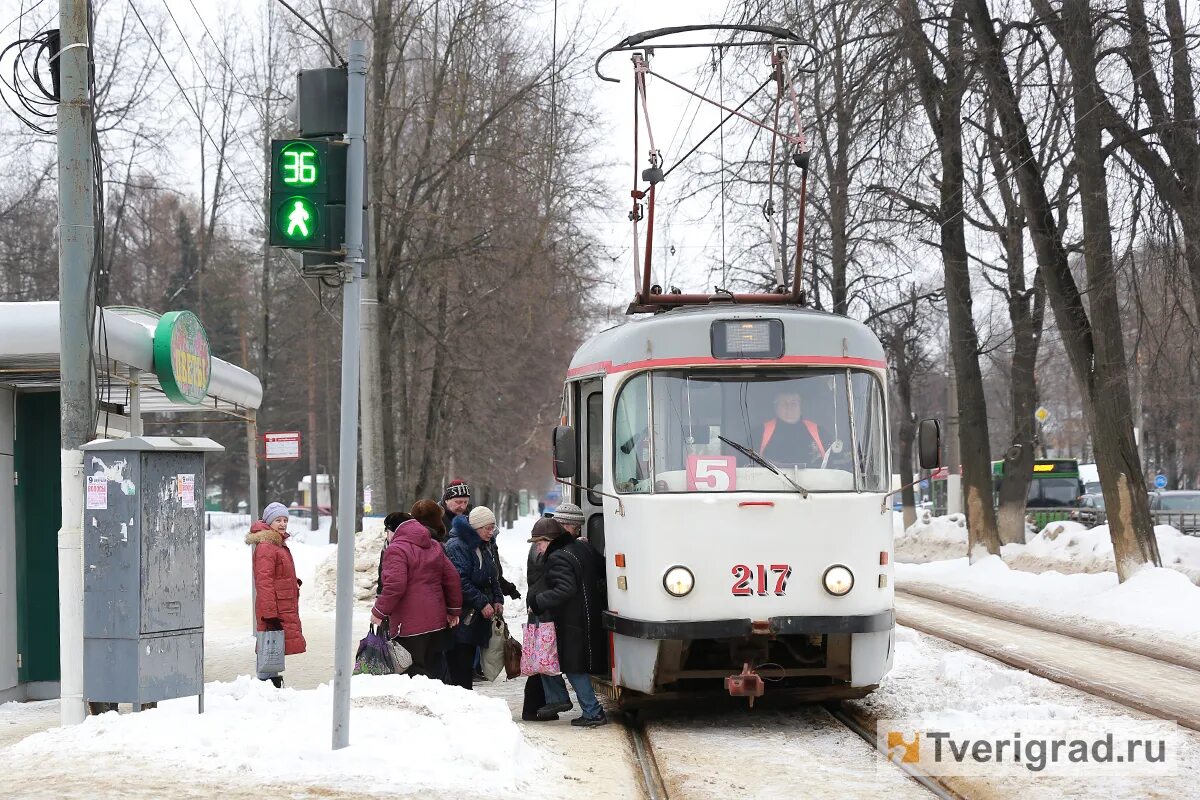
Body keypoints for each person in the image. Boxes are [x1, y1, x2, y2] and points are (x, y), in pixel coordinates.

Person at [528, 522, 608, 727]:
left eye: (539, 543)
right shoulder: (581, 547)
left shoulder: (558, 556)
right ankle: (587, 709)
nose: (538, 548)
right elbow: (602, 568)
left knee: (574, 667)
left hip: (573, 620)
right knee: (574, 665)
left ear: (550, 540)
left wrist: (538, 602)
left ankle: (593, 712)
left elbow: (565, 589)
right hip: (589, 615)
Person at [370, 518, 463, 677]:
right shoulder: (434, 546)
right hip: (436, 620)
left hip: (409, 624)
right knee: (433, 670)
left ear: (394, 531)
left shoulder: (396, 549)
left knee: (412, 673)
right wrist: (453, 610)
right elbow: (452, 578)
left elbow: (395, 586)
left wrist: (379, 612)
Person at [443, 507, 504, 690]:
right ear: (476, 527)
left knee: (468, 660)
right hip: (463, 616)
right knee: (460, 663)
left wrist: (497, 598)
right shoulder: (457, 546)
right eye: (487, 527)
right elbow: (460, 580)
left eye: (492, 527)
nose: (490, 531)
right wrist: (482, 602)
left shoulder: (484, 545)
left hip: (475, 617)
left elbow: (493, 575)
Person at [247, 502, 307, 687]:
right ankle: (265, 684)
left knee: (274, 645)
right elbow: (263, 582)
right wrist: (270, 613)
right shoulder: (267, 546)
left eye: (285, 520)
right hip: (273, 608)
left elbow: (275, 575)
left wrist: (290, 582)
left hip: (280, 605)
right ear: (268, 522)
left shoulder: (276, 544)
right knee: (269, 644)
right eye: (278, 520)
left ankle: (270, 683)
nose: (282, 524)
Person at [522, 517, 569, 721]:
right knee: (544, 658)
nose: (539, 548)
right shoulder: (546, 554)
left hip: (539, 608)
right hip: (542, 611)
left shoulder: (547, 553)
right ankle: (541, 705)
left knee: (541, 659)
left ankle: (538, 707)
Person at [759, 389, 825, 466]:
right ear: (775, 407)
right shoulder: (760, 432)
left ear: (801, 407)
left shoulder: (818, 431)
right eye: (783, 403)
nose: (789, 407)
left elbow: (833, 463)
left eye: (794, 403)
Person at [377, 511, 412, 597]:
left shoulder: (400, 549)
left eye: (388, 529)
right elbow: (382, 573)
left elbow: (395, 583)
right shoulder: (387, 546)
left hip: (407, 600)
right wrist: (379, 593)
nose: (386, 533)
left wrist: (382, 606)